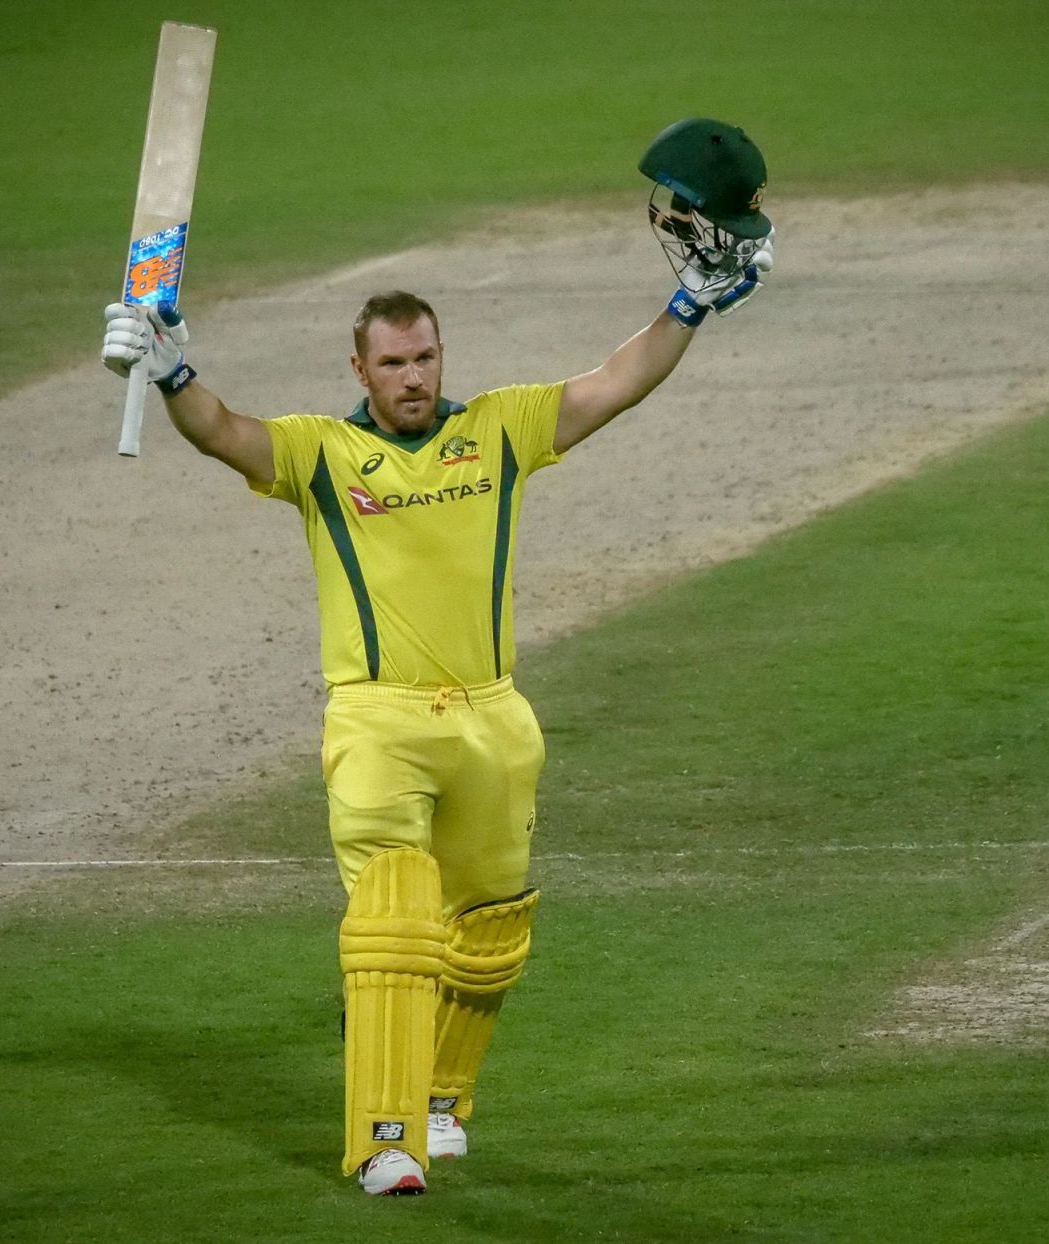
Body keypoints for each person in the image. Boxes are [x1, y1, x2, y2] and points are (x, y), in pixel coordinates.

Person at [101, 119, 774, 1196]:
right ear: (358, 365)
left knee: (491, 930)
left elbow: (616, 382)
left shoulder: (498, 431)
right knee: (393, 918)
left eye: (426, 359)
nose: (412, 378)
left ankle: (446, 1103)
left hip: (494, 719)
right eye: (394, 362)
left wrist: (688, 305)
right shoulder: (326, 452)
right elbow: (226, 432)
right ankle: (385, 1138)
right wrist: (175, 370)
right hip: (377, 718)